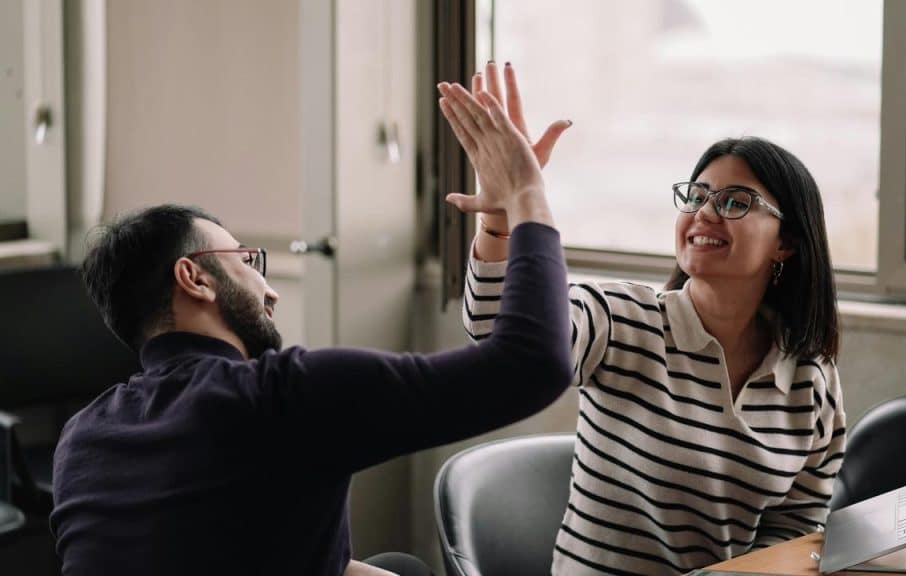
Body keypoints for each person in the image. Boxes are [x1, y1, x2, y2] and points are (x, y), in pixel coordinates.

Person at [49, 82, 571, 576]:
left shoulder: (81, 437)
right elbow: (533, 364)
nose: (269, 289)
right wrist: (526, 193)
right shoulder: (282, 397)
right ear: (194, 278)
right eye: (248, 261)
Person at [460, 62, 845, 575]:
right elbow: (501, 335)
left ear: (787, 244)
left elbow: (799, 522)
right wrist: (503, 215)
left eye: (734, 201)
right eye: (696, 196)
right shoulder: (623, 321)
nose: (704, 213)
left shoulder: (809, 377)